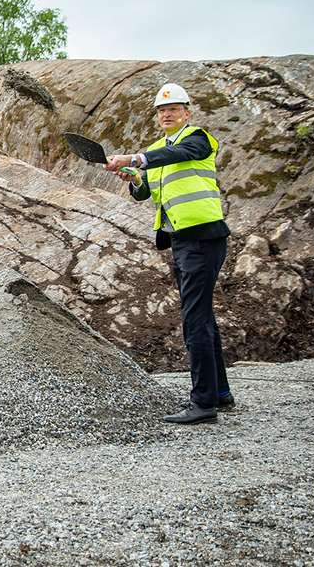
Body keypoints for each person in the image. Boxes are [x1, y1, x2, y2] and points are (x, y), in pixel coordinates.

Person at [105, 83, 233, 425]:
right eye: (162, 110)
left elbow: (177, 156)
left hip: (203, 237)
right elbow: (144, 191)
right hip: (181, 241)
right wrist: (133, 176)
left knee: (195, 320)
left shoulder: (198, 138)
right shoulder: (157, 148)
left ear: (186, 112)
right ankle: (219, 393)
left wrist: (136, 158)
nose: (166, 113)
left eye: (173, 108)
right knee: (202, 315)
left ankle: (203, 404)